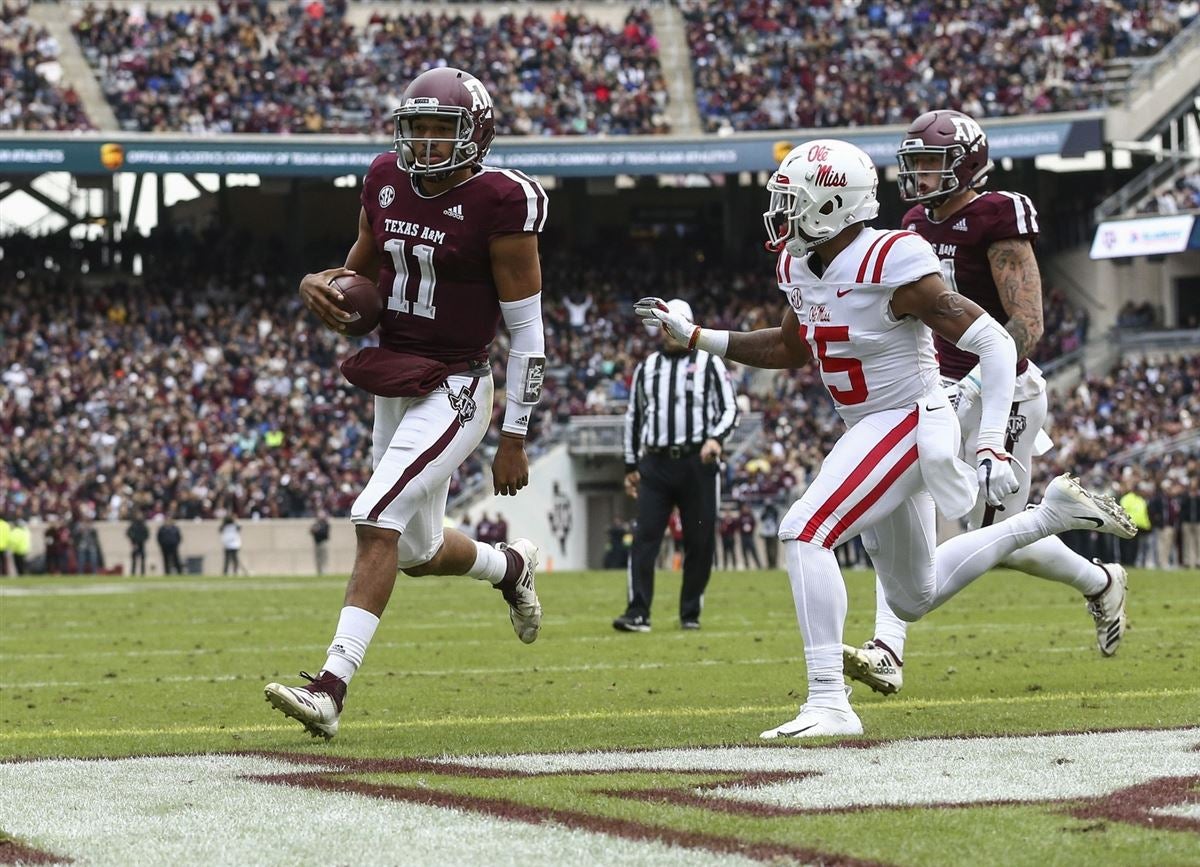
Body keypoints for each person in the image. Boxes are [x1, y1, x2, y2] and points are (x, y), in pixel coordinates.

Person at [637, 138, 1136, 737]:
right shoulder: (799, 261)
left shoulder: (891, 259)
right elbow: (791, 348)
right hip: (866, 422)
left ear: (833, 205)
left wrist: (991, 442)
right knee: (912, 597)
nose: (782, 212)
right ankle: (1045, 516)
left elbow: (997, 343)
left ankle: (828, 701)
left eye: (793, 201)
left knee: (804, 529)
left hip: (910, 415)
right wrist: (696, 336)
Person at [265, 66, 549, 741]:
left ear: (474, 134)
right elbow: (357, 269)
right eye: (415, 126)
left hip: (456, 384)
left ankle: (331, 686)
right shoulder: (384, 180)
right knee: (417, 551)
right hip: (395, 374)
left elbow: (528, 331)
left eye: (439, 128)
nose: (423, 141)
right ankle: (511, 565)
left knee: (373, 513)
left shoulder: (502, 203)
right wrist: (324, 282)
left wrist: (515, 432)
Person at [843, 109, 1136, 696]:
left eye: (930, 163)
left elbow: (1026, 323)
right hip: (934, 390)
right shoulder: (911, 224)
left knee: (995, 535)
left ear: (966, 166)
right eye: (915, 163)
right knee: (906, 500)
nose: (919, 175)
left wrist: (976, 384)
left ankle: (1095, 573)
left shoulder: (996, 214)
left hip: (1003, 390)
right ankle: (887, 648)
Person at [615, 297, 738, 632]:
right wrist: (630, 466)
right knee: (644, 537)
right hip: (655, 463)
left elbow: (730, 409)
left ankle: (690, 612)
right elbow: (634, 417)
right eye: (665, 326)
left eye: (676, 326)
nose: (670, 334)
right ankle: (638, 611)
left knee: (699, 540)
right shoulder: (647, 367)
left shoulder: (710, 364)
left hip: (697, 461)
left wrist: (716, 438)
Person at [758, 501, 781, 569]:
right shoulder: (765, 513)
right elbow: (762, 518)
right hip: (767, 533)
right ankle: (770, 564)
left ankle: (774, 564)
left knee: (773, 550)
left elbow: (776, 517)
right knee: (768, 550)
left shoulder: (774, 512)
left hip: (773, 533)